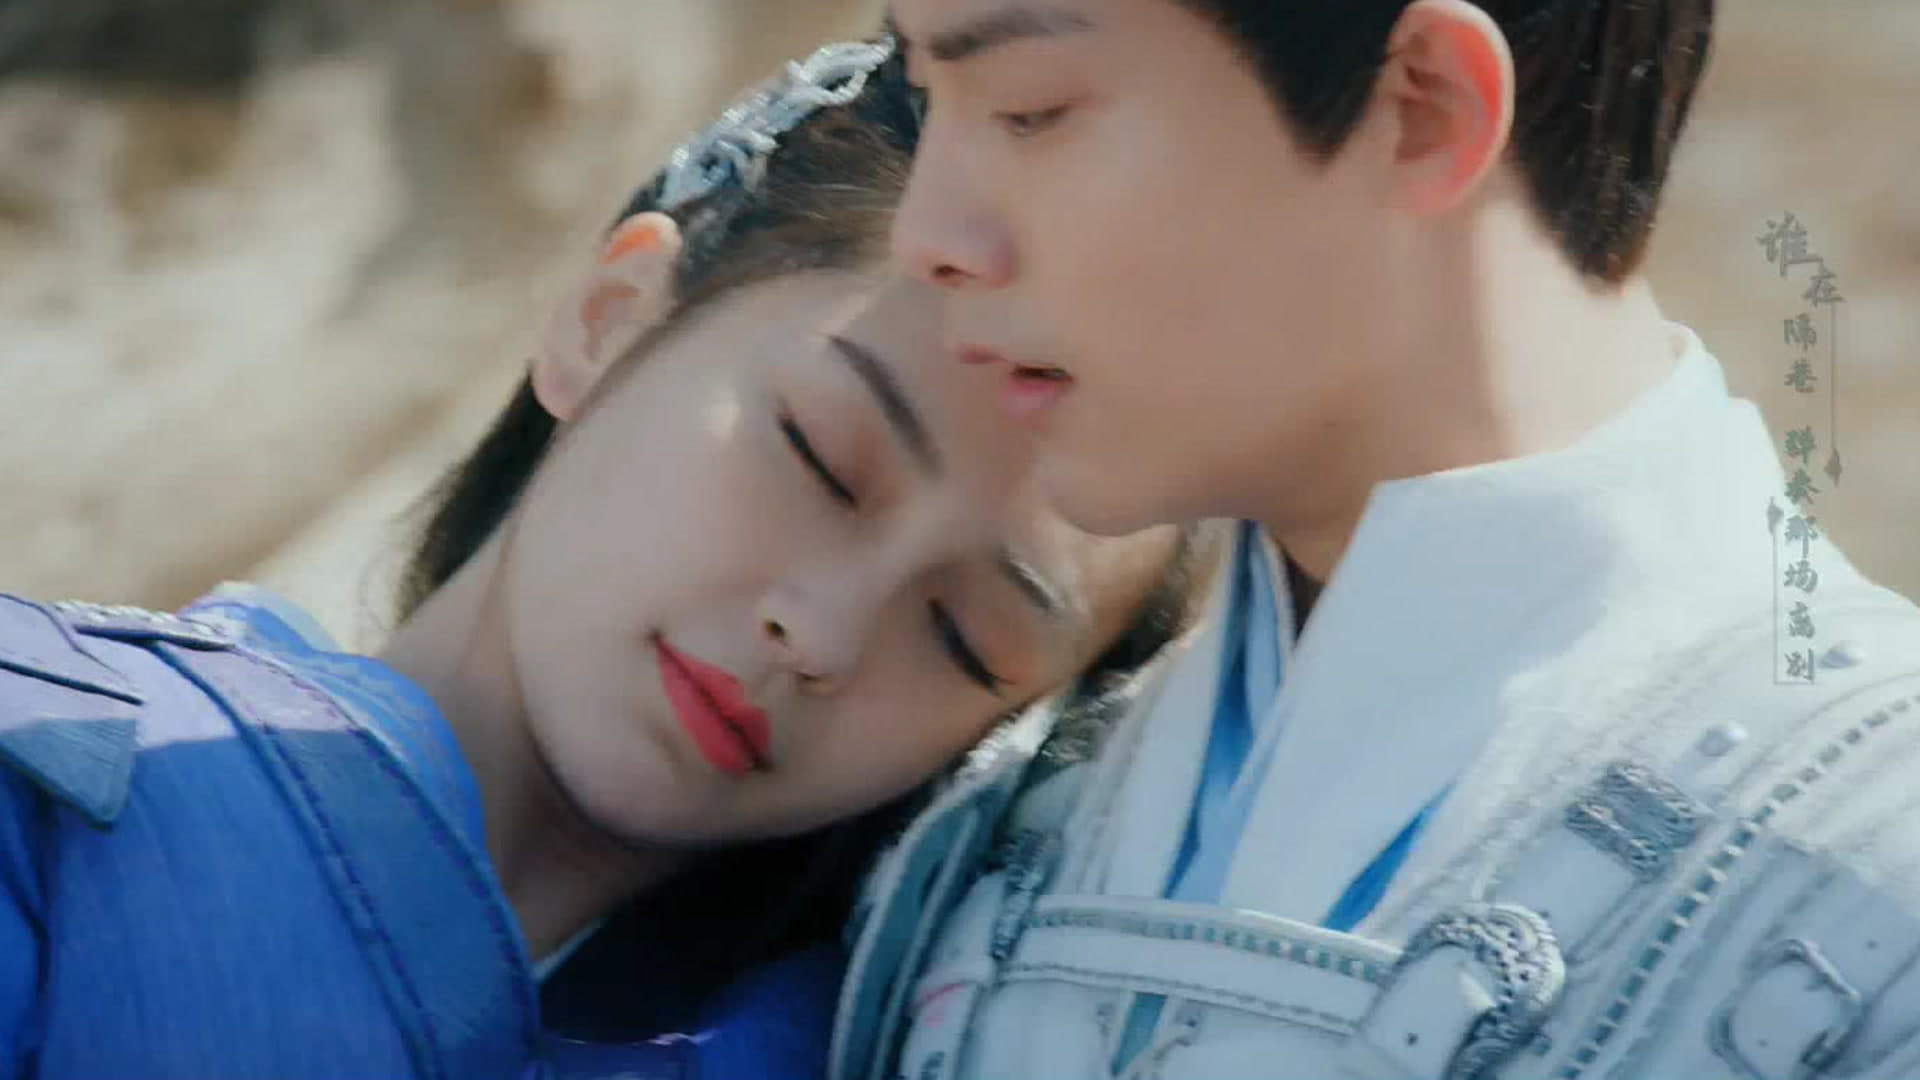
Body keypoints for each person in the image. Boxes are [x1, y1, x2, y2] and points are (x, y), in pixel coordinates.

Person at [0, 37, 1201, 1080]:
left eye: (962, 637)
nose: (823, 632)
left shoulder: (868, 1044)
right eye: (823, 461)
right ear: (610, 319)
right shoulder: (46, 796)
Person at [832, 3, 1920, 1079]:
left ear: (1423, 107)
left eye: (1028, 111)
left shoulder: (1874, 882)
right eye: (925, 101)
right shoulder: (1000, 781)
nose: (926, 236)